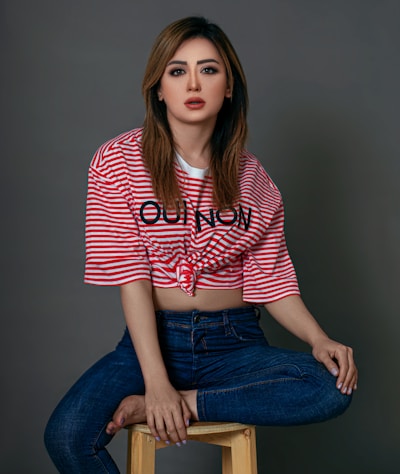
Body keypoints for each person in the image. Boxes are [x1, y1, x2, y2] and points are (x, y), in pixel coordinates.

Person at [44, 16, 357, 473]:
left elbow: (272, 282)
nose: (193, 82)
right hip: (150, 343)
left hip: (234, 344)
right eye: (177, 70)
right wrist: (156, 383)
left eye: (209, 70)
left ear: (229, 87)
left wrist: (318, 338)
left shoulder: (255, 179)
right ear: (158, 88)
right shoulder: (117, 162)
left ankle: (191, 400)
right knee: (67, 437)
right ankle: (165, 394)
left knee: (329, 388)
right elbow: (131, 277)